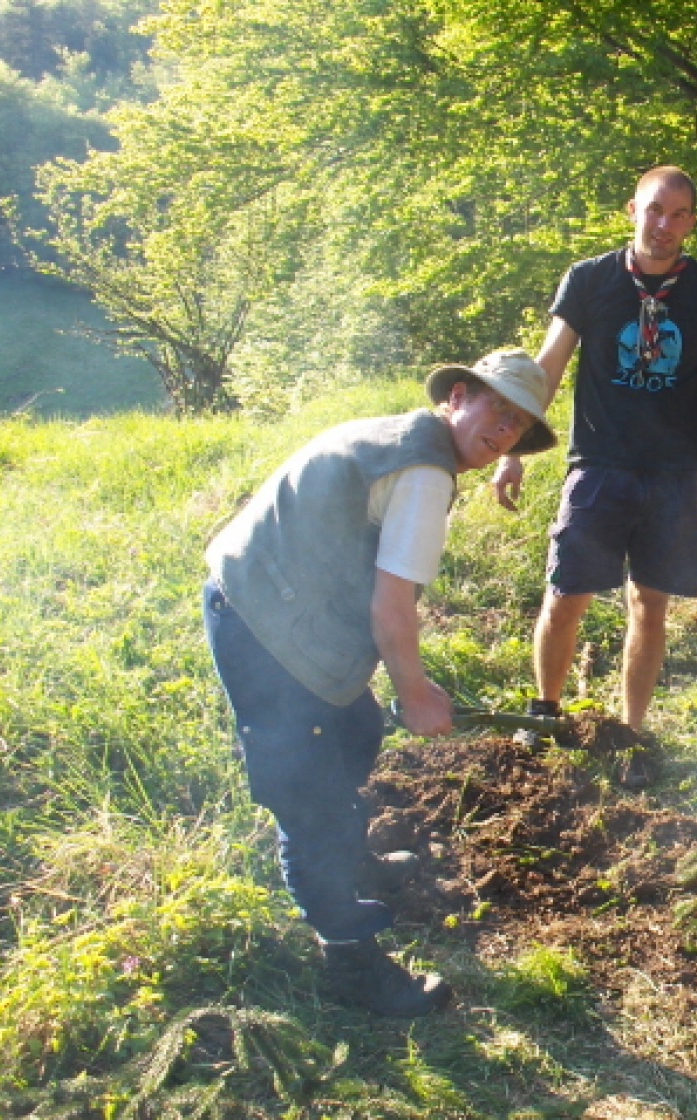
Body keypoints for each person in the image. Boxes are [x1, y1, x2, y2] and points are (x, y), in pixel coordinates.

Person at [203, 349, 555, 1017]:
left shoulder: (413, 443)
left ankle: (348, 864)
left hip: (269, 594)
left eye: (517, 424)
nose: (503, 429)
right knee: (315, 803)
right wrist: (417, 692)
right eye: (495, 409)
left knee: (357, 730)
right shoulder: (423, 473)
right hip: (263, 620)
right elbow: (392, 609)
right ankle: (349, 960)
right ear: (458, 396)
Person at [493, 165, 697, 763]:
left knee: (651, 603)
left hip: (675, 472)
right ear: (632, 209)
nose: (663, 225)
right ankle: (545, 713)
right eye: (654, 210)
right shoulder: (590, 280)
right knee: (565, 595)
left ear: (692, 221)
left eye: (678, 214)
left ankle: (632, 732)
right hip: (599, 464)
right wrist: (512, 450)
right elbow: (549, 366)